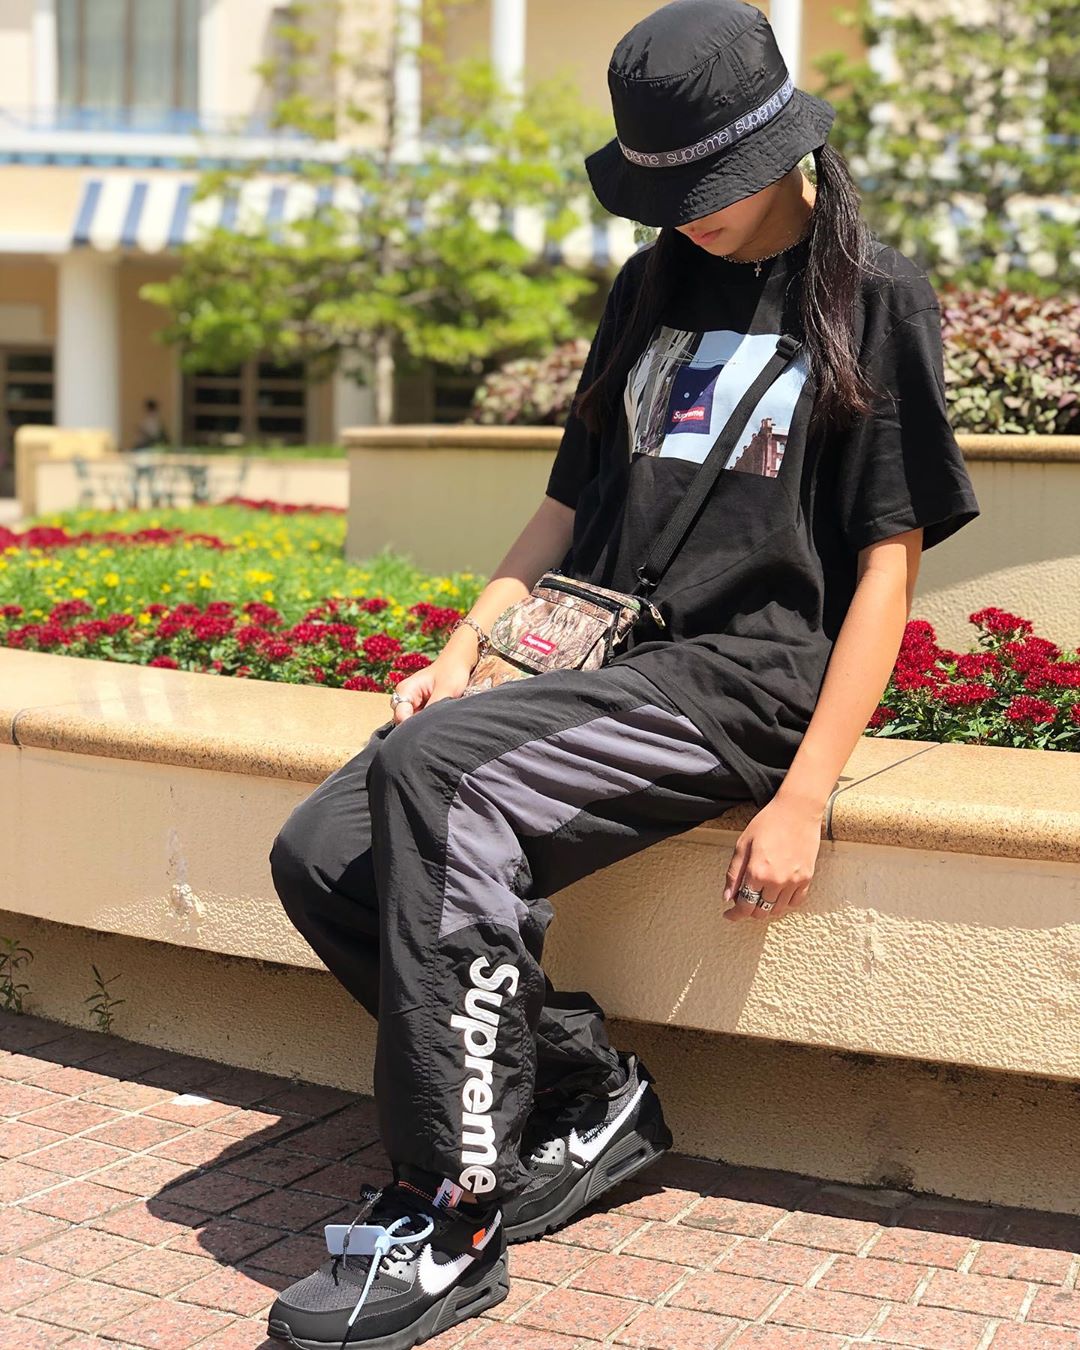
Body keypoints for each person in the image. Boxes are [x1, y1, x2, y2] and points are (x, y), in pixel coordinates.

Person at [266, 1, 980, 1345]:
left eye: (708, 185)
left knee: (440, 784)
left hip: (739, 680)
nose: (686, 215)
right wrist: (464, 646)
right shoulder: (647, 288)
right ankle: (583, 1092)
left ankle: (451, 1210)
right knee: (321, 850)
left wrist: (805, 793)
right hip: (598, 656)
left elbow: (888, 570)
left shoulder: (873, 297)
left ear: (782, 147)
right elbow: (563, 506)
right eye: (665, 191)